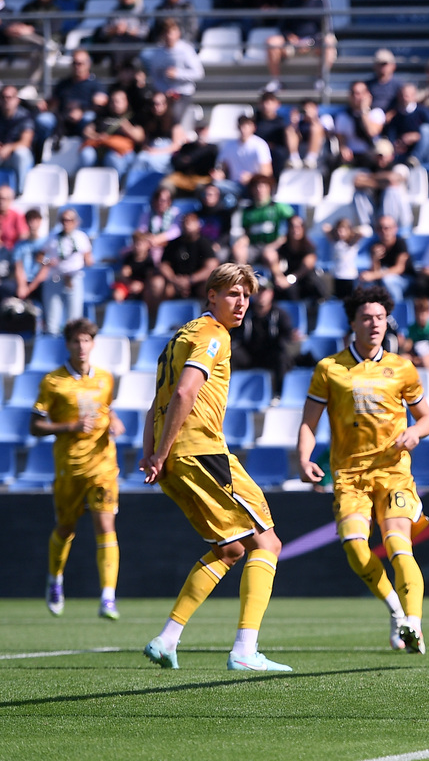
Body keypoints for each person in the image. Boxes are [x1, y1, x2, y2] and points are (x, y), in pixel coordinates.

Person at [141, 263, 290, 673]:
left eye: (246, 295)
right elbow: (186, 391)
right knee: (269, 544)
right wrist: (160, 450)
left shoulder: (177, 338)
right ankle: (245, 649)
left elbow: (156, 400)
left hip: (174, 461)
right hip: (202, 453)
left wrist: (152, 452)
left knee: (230, 549)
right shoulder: (213, 336)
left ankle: (167, 639)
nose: (241, 303)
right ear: (211, 295)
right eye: (232, 294)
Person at [297, 284, 429, 653]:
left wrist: (413, 433)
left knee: (397, 545)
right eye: (367, 318)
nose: (375, 324)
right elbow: (309, 422)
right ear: (353, 323)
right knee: (356, 548)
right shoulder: (330, 369)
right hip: (349, 476)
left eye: (380, 318)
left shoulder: (402, 368)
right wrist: (304, 458)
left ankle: (415, 625)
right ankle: (395, 611)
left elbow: (426, 420)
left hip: (393, 472)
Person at [34, 318, 125, 620]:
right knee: (66, 528)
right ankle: (55, 579)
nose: (82, 346)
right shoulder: (53, 382)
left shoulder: (106, 379)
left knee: (106, 527)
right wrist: (70, 426)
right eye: (76, 341)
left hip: (103, 465)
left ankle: (108, 597)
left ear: (93, 343)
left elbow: (105, 409)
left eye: (86, 340)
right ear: (68, 344)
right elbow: (35, 425)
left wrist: (113, 420)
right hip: (70, 467)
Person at [265, 0, 336, 93]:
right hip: (291, 44)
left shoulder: (321, 2)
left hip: (314, 44)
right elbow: (282, 26)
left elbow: (325, 29)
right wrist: (289, 36)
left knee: (329, 41)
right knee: (272, 42)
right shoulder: (291, 1)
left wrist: (310, 41)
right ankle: (276, 82)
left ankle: (321, 81)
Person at [230, 276, 298, 399]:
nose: (261, 295)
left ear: (271, 293)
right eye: (257, 291)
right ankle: (227, 392)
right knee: (229, 354)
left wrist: (292, 337)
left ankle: (279, 394)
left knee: (282, 357)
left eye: (264, 291)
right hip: (249, 354)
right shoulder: (244, 313)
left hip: (270, 355)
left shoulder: (280, 314)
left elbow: (287, 336)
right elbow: (234, 334)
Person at [140, 18, 204, 130]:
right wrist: (164, 90)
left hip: (182, 93)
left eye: (171, 32)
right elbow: (155, 76)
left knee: (173, 115)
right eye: (166, 33)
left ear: (178, 33)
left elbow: (198, 73)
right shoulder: (158, 53)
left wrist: (178, 74)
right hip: (164, 92)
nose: (168, 36)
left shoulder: (186, 50)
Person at [37, 208, 92, 335]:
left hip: (73, 278)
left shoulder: (81, 237)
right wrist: (47, 262)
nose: (66, 223)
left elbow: (88, 260)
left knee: (74, 320)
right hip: (54, 278)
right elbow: (40, 257)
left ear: (76, 222)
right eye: (63, 220)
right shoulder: (53, 237)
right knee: (52, 321)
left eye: (69, 220)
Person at [0, 85, 36, 194]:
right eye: (3, 97)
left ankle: (20, 193)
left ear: (17, 100)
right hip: (2, 156)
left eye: (10, 97)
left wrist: (9, 148)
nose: (7, 100)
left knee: (21, 153)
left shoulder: (25, 116)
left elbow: (26, 141)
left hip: (17, 158)